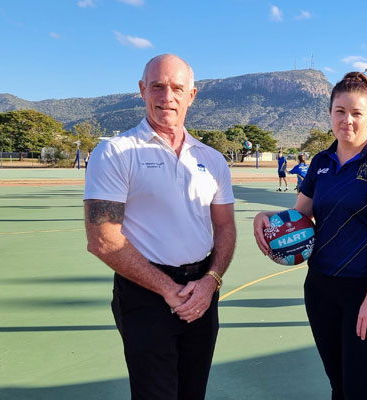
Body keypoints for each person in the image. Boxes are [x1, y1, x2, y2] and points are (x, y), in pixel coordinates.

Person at [83, 54, 236, 399]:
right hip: (144, 293)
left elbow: (225, 228)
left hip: (201, 292)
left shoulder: (211, 159)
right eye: (158, 86)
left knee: (192, 390)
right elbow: (102, 239)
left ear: (192, 95)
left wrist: (210, 282)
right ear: (142, 90)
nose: (167, 97)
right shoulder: (116, 152)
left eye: (177, 88)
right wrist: (168, 290)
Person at [253, 72, 367, 399]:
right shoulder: (321, 162)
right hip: (321, 288)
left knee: (359, 392)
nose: (347, 120)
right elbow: (300, 216)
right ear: (330, 114)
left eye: (356, 113)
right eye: (340, 111)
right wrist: (265, 217)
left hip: (366, 290)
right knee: (339, 386)